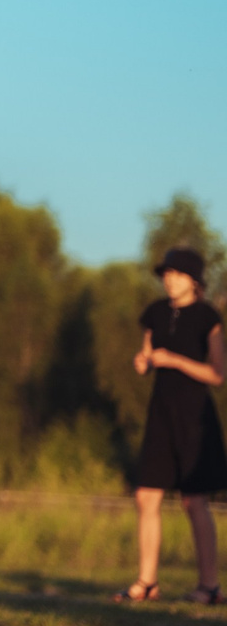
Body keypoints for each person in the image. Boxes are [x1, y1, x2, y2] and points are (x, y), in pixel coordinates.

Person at [115, 246, 225, 605]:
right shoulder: (156, 313)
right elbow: (147, 356)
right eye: (166, 274)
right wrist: (143, 363)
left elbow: (217, 374)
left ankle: (209, 586)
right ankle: (147, 583)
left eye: (177, 274)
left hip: (195, 417)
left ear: (194, 280)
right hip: (160, 412)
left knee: (194, 501)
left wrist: (176, 361)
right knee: (146, 495)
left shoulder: (208, 317)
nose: (170, 280)